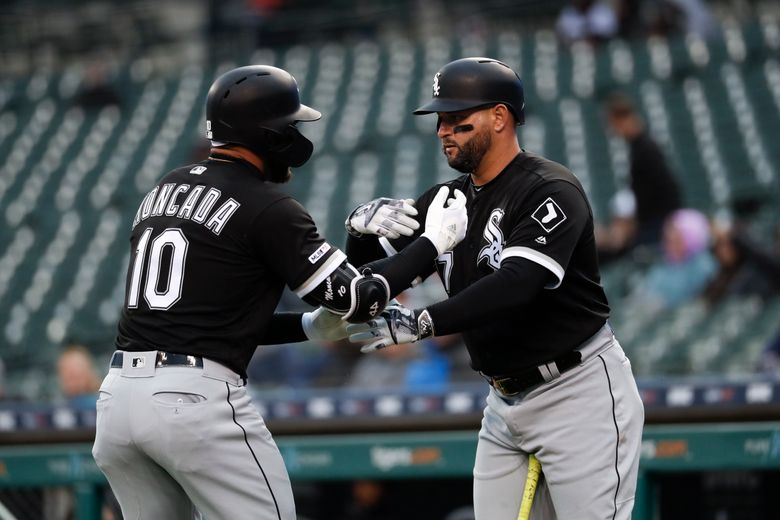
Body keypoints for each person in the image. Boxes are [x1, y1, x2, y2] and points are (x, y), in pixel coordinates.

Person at [92, 64, 468, 520]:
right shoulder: (267, 204)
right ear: (267, 134)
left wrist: (310, 327)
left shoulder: (163, 188)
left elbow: (208, 320)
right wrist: (433, 243)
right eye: (290, 126)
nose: (296, 136)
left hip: (117, 400)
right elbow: (360, 300)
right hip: (193, 402)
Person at [346, 57, 644, 519]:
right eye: (440, 120)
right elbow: (369, 277)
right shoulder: (445, 201)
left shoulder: (550, 188)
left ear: (500, 117)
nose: (444, 130)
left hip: (577, 389)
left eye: (458, 120)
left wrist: (424, 322)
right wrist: (358, 231)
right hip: (503, 402)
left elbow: (517, 284)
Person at [603, 92, 682, 252]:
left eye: (614, 124)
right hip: (652, 222)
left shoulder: (646, 149)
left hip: (658, 224)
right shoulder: (638, 148)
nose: (614, 131)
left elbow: (665, 189)